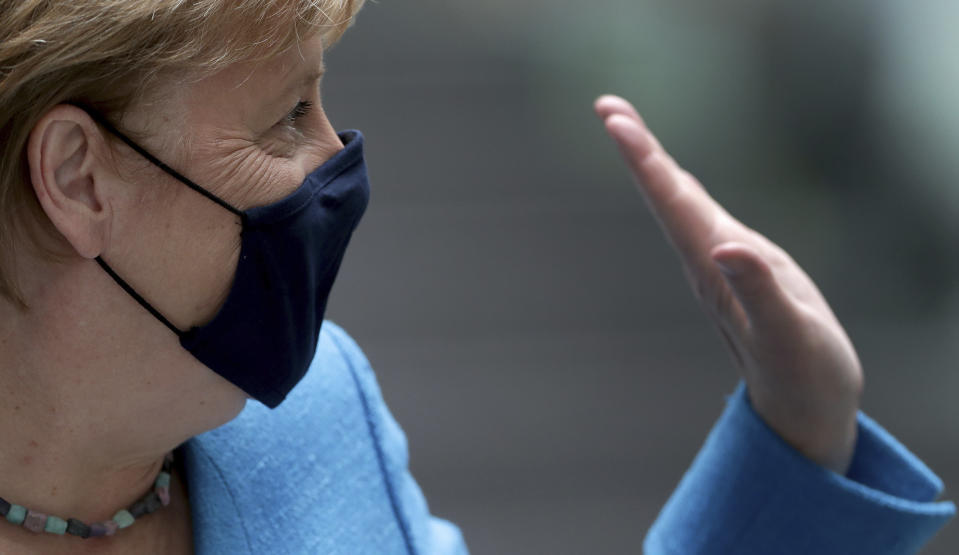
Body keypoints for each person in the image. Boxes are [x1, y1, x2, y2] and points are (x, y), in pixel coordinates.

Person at [0, 2, 951, 555]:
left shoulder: (318, 419)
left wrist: (798, 426)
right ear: (80, 178)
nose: (335, 158)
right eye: (285, 116)